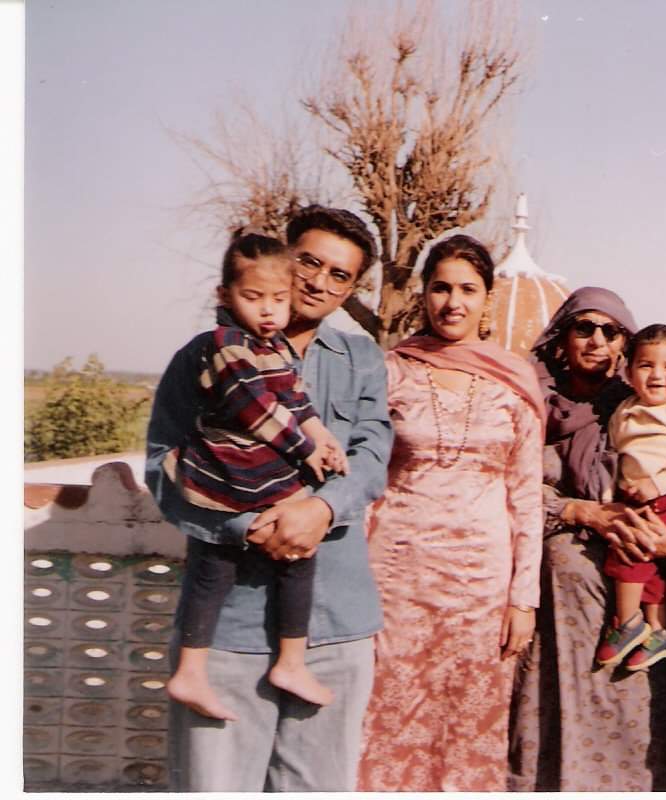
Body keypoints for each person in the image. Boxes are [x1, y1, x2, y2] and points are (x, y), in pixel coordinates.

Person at [146, 206, 391, 792]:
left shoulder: (362, 360)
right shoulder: (203, 356)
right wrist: (240, 526)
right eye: (309, 261)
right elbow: (162, 467)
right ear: (285, 258)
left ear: (351, 291)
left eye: (339, 276)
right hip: (227, 629)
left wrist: (321, 510)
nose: (317, 282)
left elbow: (373, 454)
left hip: (335, 623)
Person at [357, 234, 545, 791]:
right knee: (390, 718)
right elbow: (365, 480)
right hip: (397, 577)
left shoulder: (515, 380)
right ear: (423, 294)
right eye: (440, 288)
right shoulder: (392, 371)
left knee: (470, 724)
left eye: (468, 289)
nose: (453, 302)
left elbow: (527, 494)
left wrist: (523, 598)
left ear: (488, 297)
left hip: (482, 586)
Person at [163, 231, 350, 722]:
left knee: (298, 560)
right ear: (224, 296)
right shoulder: (226, 346)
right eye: (253, 297)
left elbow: (295, 399)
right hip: (227, 476)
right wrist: (305, 447)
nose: (269, 310)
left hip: (258, 476)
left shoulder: (275, 346)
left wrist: (322, 435)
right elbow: (257, 407)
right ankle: (191, 670)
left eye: (279, 299)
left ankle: (290, 662)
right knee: (213, 570)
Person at [508, 288, 666, 792]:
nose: (597, 340)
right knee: (555, 722)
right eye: (584, 327)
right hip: (558, 608)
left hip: (634, 599)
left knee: (634, 729)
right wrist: (578, 509)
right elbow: (508, 490)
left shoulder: (647, 409)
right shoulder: (530, 405)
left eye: (611, 331)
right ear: (562, 338)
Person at [597, 324, 666, 671]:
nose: (657, 375)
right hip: (635, 498)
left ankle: (628, 621)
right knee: (649, 569)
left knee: (631, 551)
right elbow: (613, 457)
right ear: (629, 373)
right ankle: (658, 628)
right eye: (646, 366)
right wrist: (608, 496)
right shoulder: (625, 412)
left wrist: (659, 483)